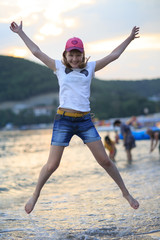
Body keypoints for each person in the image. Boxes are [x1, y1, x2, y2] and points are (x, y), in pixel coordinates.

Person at [10, 21, 140, 214]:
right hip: (63, 120)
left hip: (85, 121)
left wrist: (129, 38)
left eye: (78, 54)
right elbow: (37, 52)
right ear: (65, 55)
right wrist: (21, 32)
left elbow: (114, 55)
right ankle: (35, 194)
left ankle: (126, 193)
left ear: (82, 55)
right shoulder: (59, 68)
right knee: (53, 165)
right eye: (71, 54)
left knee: (105, 161)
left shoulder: (91, 67)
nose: (74, 58)